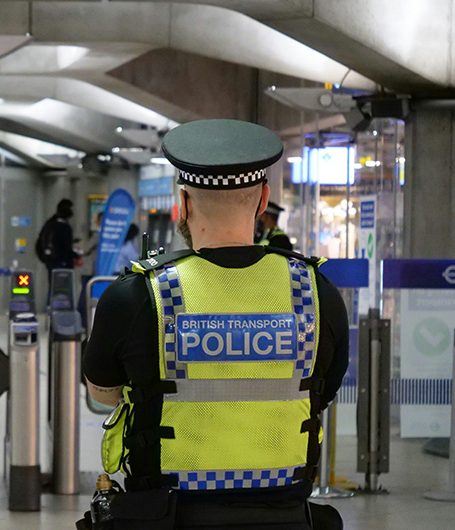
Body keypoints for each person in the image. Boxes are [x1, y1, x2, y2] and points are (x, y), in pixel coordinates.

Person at [83, 119, 348, 530]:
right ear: (263, 201)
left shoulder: (136, 295)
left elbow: (103, 396)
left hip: (168, 518)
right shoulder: (316, 293)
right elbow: (323, 392)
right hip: (287, 518)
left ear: (183, 204)